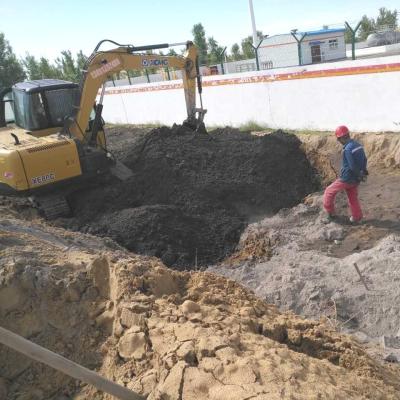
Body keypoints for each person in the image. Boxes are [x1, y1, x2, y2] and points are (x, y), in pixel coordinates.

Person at [323, 125, 368, 223]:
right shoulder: (358, 145)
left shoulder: (347, 149)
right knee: (352, 198)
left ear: (342, 138)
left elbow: (351, 166)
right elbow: (364, 159)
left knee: (329, 191)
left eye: (339, 139)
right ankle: (357, 218)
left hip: (347, 178)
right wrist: (363, 173)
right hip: (355, 179)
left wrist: (358, 174)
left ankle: (331, 214)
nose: (339, 142)